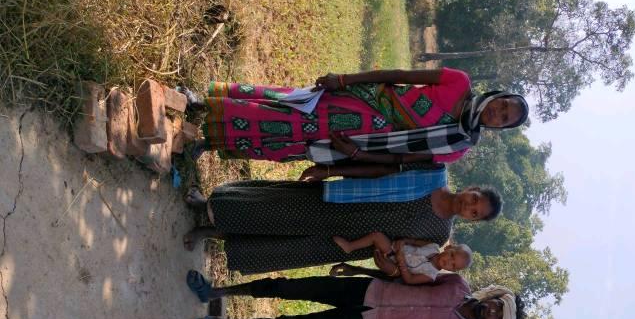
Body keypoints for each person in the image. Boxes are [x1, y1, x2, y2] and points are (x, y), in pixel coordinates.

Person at [180, 69, 529, 164]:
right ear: (497, 96)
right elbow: (399, 75)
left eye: (504, 119)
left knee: (285, 143)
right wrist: (345, 80)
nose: (497, 113)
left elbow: (403, 160)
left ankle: (210, 142)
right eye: (503, 106)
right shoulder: (459, 83)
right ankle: (203, 105)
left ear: (501, 128)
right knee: (285, 107)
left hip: (358, 141)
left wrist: (357, 154)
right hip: (357, 103)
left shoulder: (458, 146)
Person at [182, 181, 502, 277]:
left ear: (472, 220)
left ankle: (208, 234)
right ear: (472, 189)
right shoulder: (433, 178)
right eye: (475, 199)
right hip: (343, 203)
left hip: (351, 240)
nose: (469, 206)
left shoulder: (440, 234)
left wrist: (387, 263)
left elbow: (404, 253)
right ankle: (207, 206)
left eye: (475, 213)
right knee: (276, 209)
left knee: (282, 245)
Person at [185, 272, 523, 319]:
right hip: (365, 288)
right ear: (495, 298)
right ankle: (216, 291)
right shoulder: (457, 284)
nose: (492, 314)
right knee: (287, 287)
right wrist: (357, 269)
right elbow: (409, 276)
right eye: (498, 307)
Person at [332, 233, 473, 284]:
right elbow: (414, 242)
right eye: (452, 256)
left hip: (397, 268)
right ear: (449, 248)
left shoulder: (431, 275)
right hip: (394, 249)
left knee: (392, 270)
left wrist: (400, 261)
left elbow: (409, 279)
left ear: (452, 271)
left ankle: (375, 255)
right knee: (377, 236)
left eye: (453, 265)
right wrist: (403, 241)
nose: (449, 262)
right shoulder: (434, 246)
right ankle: (350, 246)